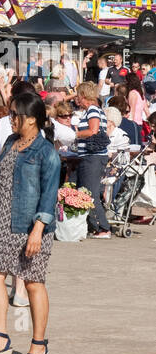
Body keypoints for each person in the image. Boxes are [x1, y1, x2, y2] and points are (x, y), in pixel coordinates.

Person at [0, 89, 61, 354]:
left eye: (15, 114)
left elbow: (49, 195)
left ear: (31, 120)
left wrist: (38, 230)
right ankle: (1, 339)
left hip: (30, 227)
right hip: (3, 224)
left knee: (33, 283)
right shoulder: (11, 143)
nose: (10, 118)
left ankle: (39, 344)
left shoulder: (46, 151)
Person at [70, 81, 110, 237]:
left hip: (92, 157)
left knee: (90, 192)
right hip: (91, 156)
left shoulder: (92, 110)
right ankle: (94, 225)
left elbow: (93, 130)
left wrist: (75, 134)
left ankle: (103, 228)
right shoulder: (96, 110)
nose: (76, 99)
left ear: (83, 96)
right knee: (85, 190)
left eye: (78, 95)